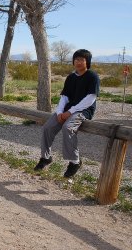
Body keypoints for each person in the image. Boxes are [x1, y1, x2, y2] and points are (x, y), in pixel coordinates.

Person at [34, 49, 100, 178]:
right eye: (76, 59)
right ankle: (45, 157)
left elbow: (91, 98)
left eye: (82, 59)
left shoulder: (92, 76)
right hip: (67, 110)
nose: (78, 62)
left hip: (83, 110)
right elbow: (64, 97)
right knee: (47, 127)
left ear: (88, 62)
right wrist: (59, 112)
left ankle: (74, 161)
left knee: (68, 128)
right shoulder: (71, 77)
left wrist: (70, 112)